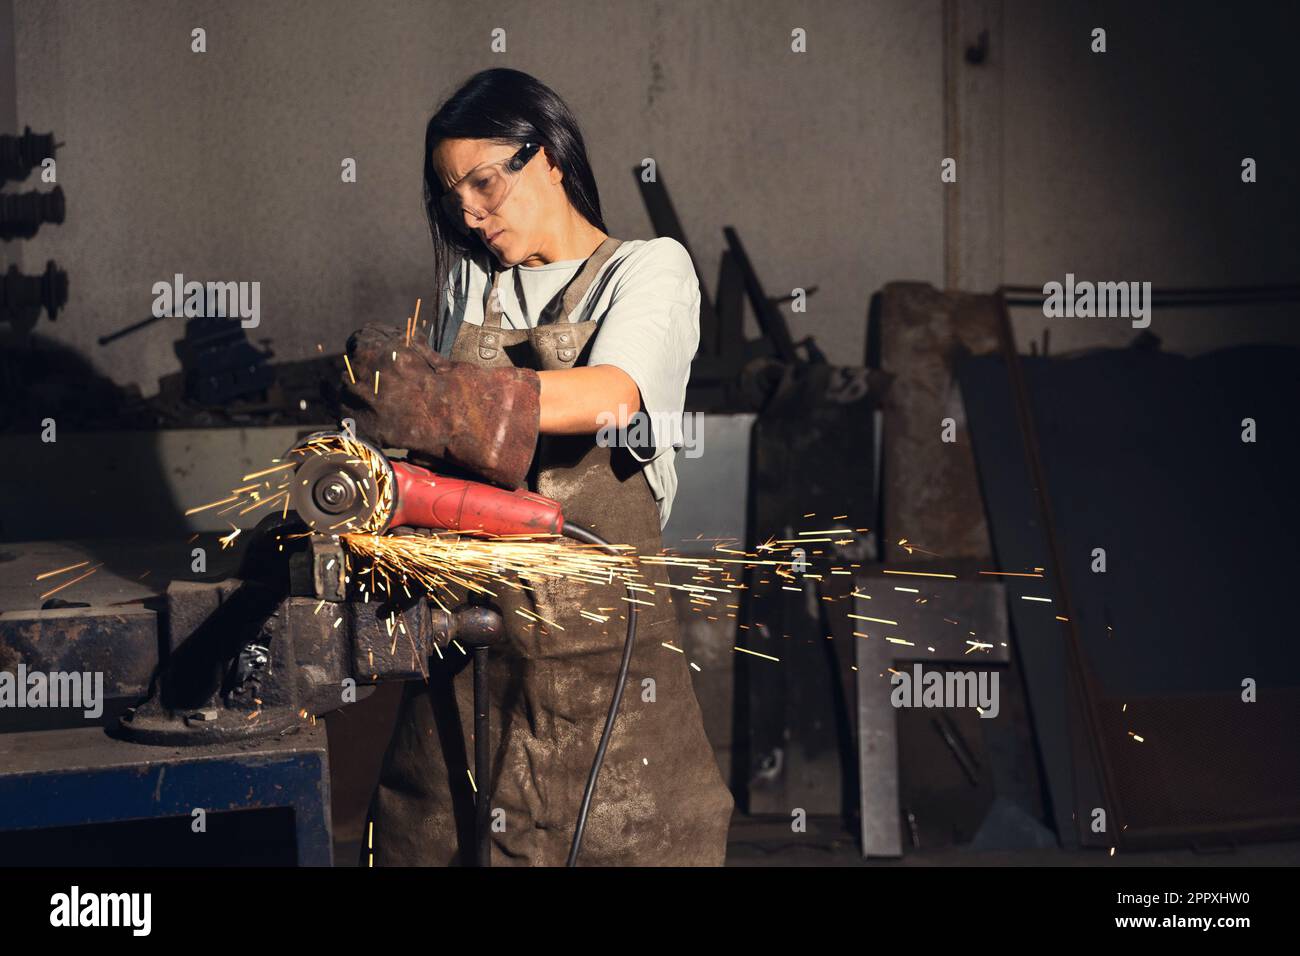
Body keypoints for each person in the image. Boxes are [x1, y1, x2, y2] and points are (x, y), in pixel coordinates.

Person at [340, 68, 734, 866]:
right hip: (470, 639)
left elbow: (611, 396)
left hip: (604, 653)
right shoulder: (471, 284)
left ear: (548, 154)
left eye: (484, 183)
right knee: (430, 839)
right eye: (453, 198)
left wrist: (450, 402)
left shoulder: (649, 269)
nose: (470, 212)